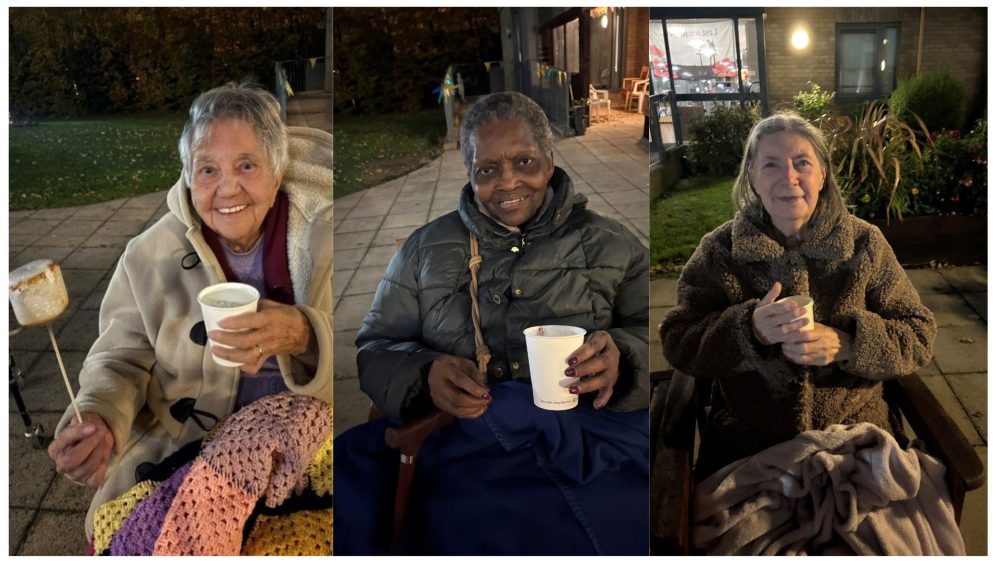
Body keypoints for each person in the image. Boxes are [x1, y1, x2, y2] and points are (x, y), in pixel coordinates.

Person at [335, 91, 649, 555]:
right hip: (468, 450)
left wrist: (623, 358)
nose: (507, 183)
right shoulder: (424, 251)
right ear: (470, 173)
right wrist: (424, 375)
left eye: (524, 161)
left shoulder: (612, 244)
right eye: (487, 170)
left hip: (590, 442)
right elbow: (378, 346)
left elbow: (650, 331)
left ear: (549, 160)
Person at [46, 82, 333, 539]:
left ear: (276, 176)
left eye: (246, 165)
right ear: (186, 176)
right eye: (207, 170)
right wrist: (99, 415)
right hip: (184, 449)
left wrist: (306, 335)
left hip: (306, 445)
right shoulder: (148, 254)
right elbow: (120, 357)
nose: (227, 188)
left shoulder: (324, 236)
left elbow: (369, 341)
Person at [660, 111, 936, 479]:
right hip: (749, 448)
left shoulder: (864, 244)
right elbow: (678, 339)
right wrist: (749, 331)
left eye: (801, 163)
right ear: (753, 178)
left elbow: (918, 334)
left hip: (856, 444)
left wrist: (849, 344)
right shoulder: (721, 251)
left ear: (822, 174)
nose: (788, 178)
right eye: (771, 165)